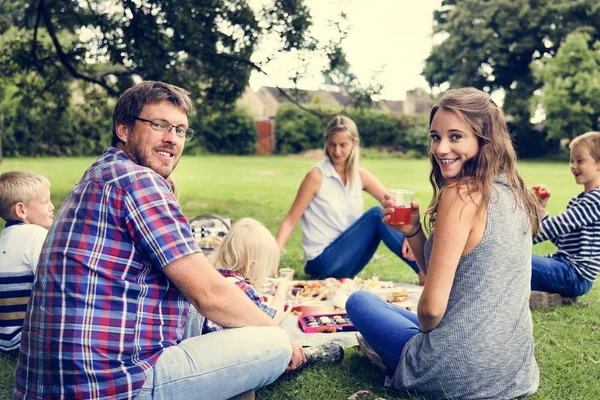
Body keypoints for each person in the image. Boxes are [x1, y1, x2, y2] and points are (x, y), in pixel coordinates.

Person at [14, 81, 304, 400]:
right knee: (271, 343)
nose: (172, 139)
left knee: (231, 342)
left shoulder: (98, 174)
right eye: (159, 125)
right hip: (115, 385)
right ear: (123, 129)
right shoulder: (138, 182)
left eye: (180, 130)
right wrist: (276, 332)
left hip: (50, 386)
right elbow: (209, 294)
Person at [346, 87, 541, 399]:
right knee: (393, 312)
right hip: (513, 373)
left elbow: (431, 313)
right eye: (435, 137)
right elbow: (449, 273)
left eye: (455, 136)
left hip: (459, 373)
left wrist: (429, 328)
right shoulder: (517, 192)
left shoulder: (460, 194)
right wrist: (412, 231)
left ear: (483, 138)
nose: (440, 148)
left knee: (360, 302)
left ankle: (394, 363)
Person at [276, 115, 421, 281]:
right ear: (326, 143)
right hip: (320, 263)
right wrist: (272, 259)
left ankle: (425, 270)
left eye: (343, 145)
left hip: (348, 262)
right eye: (332, 144)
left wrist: (410, 236)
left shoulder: (360, 176)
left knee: (383, 212)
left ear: (354, 143)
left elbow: (393, 204)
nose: (337, 151)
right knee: (376, 214)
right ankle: (423, 272)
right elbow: (289, 221)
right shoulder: (316, 176)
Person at [529, 131, 600, 304]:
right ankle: (553, 298)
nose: (573, 166)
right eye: (571, 160)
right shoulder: (579, 200)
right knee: (514, 273)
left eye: (580, 160)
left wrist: (519, 240)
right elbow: (562, 240)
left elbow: (555, 226)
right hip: (564, 267)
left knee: (518, 258)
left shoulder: (596, 200)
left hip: (574, 273)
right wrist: (541, 210)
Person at [202, 217, 291, 332]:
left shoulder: (214, 276)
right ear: (251, 265)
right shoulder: (241, 289)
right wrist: (281, 292)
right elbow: (271, 322)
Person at [0, 171, 54, 353]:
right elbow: (52, 281)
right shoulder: (35, 235)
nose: (52, 207)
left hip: (4, 338)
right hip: (25, 339)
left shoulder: (4, 238)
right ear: (21, 210)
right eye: (46, 201)